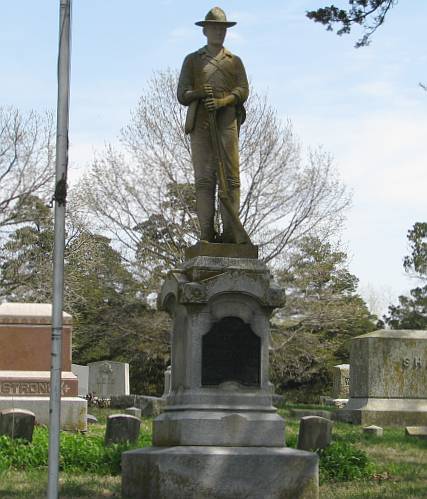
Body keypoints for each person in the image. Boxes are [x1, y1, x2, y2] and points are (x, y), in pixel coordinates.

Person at [177, 7, 249, 243]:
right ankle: (206, 233)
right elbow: (182, 94)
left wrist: (223, 101)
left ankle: (231, 233)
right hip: (201, 123)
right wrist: (198, 92)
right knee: (205, 180)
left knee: (231, 179)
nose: (219, 32)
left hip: (227, 121)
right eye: (214, 28)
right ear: (205, 30)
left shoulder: (234, 61)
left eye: (222, 28)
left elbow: (242, 90)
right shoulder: (192, 60)